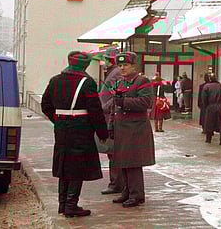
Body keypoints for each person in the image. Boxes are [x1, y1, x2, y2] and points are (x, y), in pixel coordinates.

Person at [41, 51, 108, 218]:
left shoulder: (55, 80)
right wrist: (102, 132)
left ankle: (62, 205)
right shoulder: (87, 82)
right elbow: (95, 110)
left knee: (63, 164)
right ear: (84, 65)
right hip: (81, 129)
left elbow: (45, 105)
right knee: (77, 167)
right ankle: (71, 205)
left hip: (61, 128)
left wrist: (58, 120)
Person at [111, 52, 155, 208]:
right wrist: (111, 123)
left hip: (136, 128)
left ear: (133, 65)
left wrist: (124, 102)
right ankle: (127, 191)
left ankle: (137, 194)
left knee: (134, 162)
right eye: (120, 65)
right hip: (122, 127)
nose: (122, 68)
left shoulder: (142, 81)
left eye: (125, 65)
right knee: (123, 161)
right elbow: (114, 105)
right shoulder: (119, 83)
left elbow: (146, 102)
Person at [98, 46, 125, 195]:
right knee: (111, 151)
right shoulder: (113, 73)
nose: (104, 62)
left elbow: (117, 95)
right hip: (109, 114)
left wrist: (104, 107)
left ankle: (116, 183)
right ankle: (116, 182)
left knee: (113, 151)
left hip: (111, 115)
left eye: (106, 59)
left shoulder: (116, 74)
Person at [203, 73, 221, 145]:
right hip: (220, 106)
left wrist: (206, 106)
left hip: (211, 106)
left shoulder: (206, 86)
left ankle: (208, 139)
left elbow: (204, 98)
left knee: (209, 123)